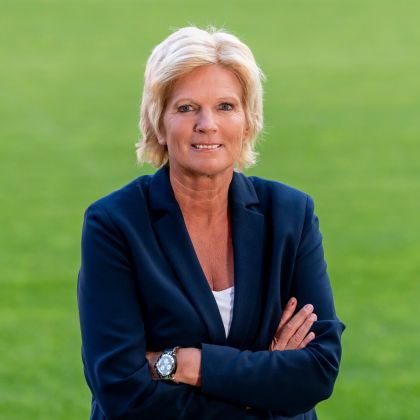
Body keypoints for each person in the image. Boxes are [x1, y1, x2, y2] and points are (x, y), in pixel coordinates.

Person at [77, 26, 345, 420]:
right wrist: (265, 381)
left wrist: (188, 364)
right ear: (158, 122)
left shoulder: (291, 214)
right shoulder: (115, 224)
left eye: (225, 106)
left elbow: (317, 370)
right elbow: (123, 391)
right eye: (187, 108)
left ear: (248, 121)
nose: (207, 124)